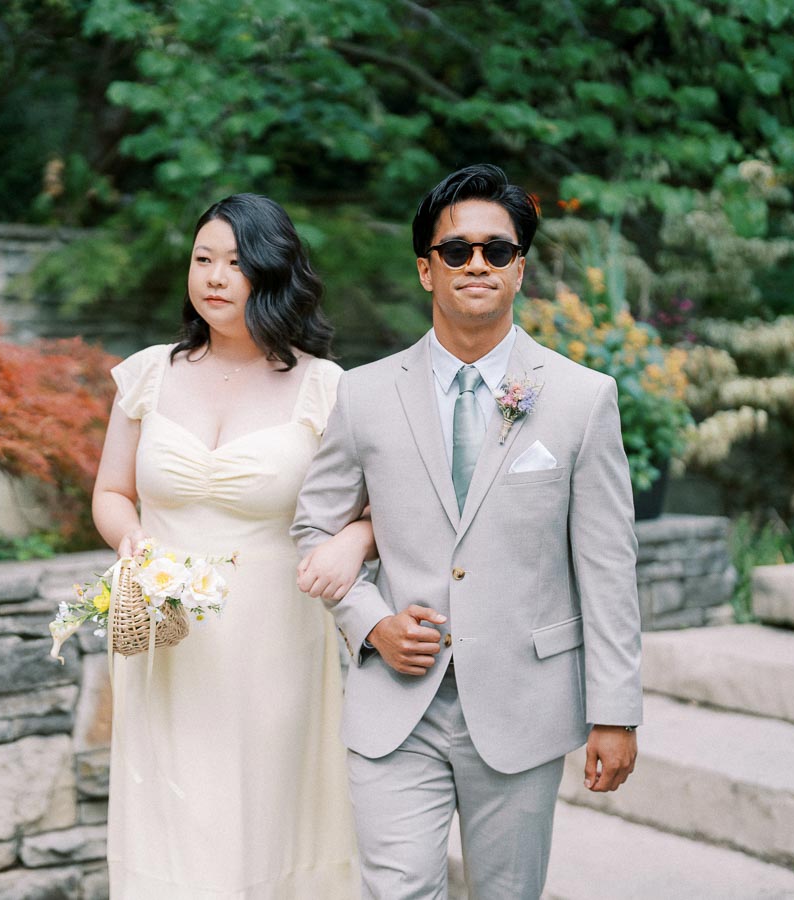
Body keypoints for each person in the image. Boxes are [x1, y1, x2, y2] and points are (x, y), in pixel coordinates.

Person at [292, 164, 643, 900]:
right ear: (427, 269)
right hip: (395, 702)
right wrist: (371, 624)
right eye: (456, 251)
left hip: (525, 701)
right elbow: (314, 527)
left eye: (497, 250)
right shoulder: (362, 393)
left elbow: (607, 566)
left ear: (521, 269)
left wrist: (616, 711)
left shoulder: (583, 399)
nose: (476, 263)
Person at [92, 193, 363, 898]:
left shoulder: (324, 388)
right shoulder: (149, 373)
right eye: (203, 259)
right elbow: (111, 493)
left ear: (272, 273)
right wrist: (135, 546)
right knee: (168, 817)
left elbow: (380, 511)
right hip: (165, 635)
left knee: (261, 821)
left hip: (274, 640)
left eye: (236, 263)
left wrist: (354, 543)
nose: (214, 276)